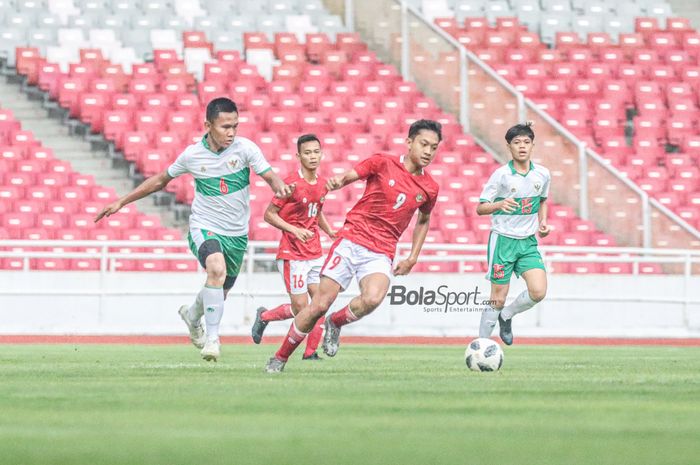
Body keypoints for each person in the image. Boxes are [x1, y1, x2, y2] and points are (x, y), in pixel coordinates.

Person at [94, 97, 293, 362]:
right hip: (205, 226)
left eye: (235, 126)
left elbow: (270, 176)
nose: (231, 132)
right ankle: (212, 339)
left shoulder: (246, 149)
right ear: (208, 125)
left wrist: (280, 187)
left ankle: (191, 315)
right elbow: (159, 181)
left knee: (219, 288)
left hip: (236, 234)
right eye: (225, 127)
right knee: (216, 268)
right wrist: (122, 201)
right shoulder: (192, 155)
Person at [264, 119, 443, 373]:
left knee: (372, 298)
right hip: (352, 238)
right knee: (319, 304)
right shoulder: (383, 162)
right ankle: (280, 357)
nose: (428, 151)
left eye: (433, 147)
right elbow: (353, 174)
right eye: (424, 144)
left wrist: (413, 256)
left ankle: (335, 323)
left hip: (382, 248)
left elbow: (423, 220)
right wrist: (339, 182)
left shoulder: (430, 188)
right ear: (409, 142)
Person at [250, 134, 337, 360]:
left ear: (322, 154)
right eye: (307, 153)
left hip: (315, 253)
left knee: (319, 305)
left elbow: (316, 212)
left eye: (316, 152)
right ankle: (265, 316)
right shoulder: (289, 184)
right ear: (298, 156)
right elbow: (269, 215)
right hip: (293, 253)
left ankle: (310, 353)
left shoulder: (322, 184)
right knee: (301, 307)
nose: (312, 156)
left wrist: (329, 230)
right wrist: (294, 230)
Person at [476, 123, 551, 346]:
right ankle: (481, 345)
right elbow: (480, 208)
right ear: (509, 147)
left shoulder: (543, 174)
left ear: (532, 146)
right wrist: (499, 205)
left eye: (526, 142)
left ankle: (506, 316)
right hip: (503, 241)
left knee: (538, 291)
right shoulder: (501, 176)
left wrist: (543, 222)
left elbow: (542, 200)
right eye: (517, 143)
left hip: (527, 242)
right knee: (497, 298)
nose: (522, 147)